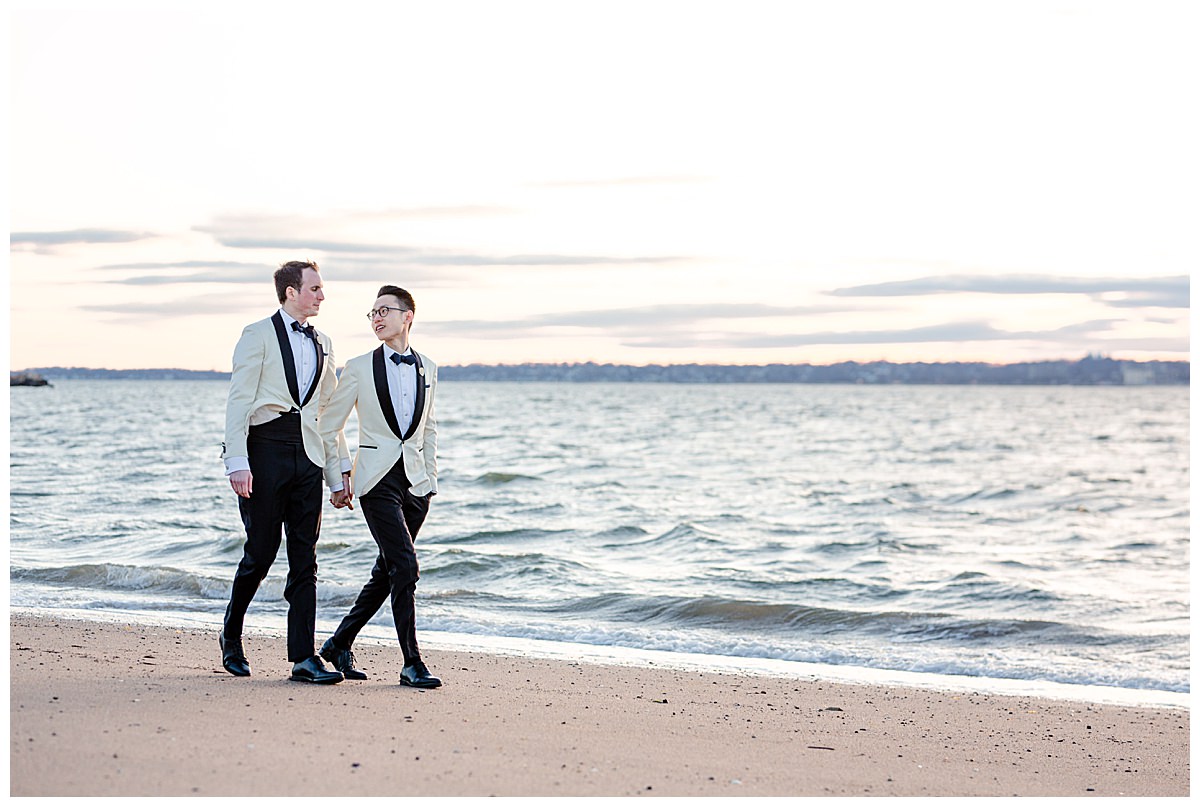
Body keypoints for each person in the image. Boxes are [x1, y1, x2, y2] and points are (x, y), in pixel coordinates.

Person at [219, 260, 352, 684]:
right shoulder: (256, 334)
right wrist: (236, 461)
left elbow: (328, 413)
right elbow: (239, 401)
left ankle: (303, 658)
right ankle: (231, 636)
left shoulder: (325, 342)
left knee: (305, 557)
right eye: (314, 288)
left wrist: (339, 473)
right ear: (291, 292)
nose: (321, 296)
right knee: (260, 554)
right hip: (265, 451)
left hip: (309, 456)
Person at [318, 285, 442, 688]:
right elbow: (328, 424)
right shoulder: (357, 367)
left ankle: (339, 643)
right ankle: (411, 663)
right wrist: (338, 478)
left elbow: (429, 428)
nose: (376, 318)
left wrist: (430, 482)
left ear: (407, 316)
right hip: (375, 481)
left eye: (384, 311)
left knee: (387, 572)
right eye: (372, 313)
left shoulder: (428, 367)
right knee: (405, 566)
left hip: (416, 484)